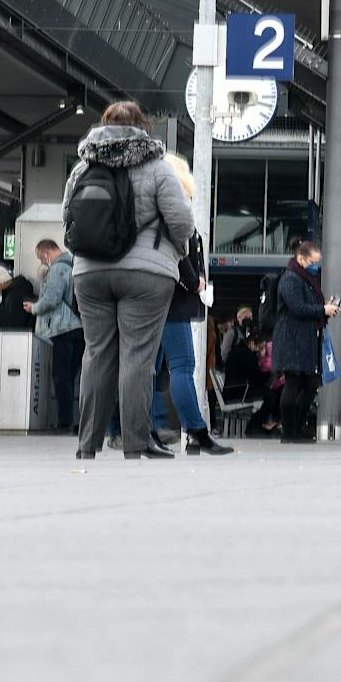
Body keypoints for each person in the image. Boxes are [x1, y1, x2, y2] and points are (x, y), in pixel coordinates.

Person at [67, 100, 193, 461]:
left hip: (89, 272)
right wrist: (176, 253)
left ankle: (86, 444)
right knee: (137, 355)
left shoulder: (82, 167)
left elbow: (67, 216)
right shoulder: (157, 167)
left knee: (96, 354)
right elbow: (182, 223)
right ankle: (136, 442)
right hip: (146, 274)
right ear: (144, 127)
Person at [148, 153, 233, 457]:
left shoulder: (153, 208)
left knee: (149, 368)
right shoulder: (172, 209)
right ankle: (195, 432)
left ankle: (149, 429)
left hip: (157, 300)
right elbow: (179, 251)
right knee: (183, 367)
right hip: (174, 302)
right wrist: (194, 281)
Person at [273, 237, 341, 443]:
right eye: (313, 262)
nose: (316, 267)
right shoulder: (291, 279)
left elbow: (307, 308)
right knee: (293, 382)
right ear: (301, 259)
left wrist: (326, 310)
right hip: (291, 339)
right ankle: (289, 431)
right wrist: (322, 309)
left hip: (305, 339)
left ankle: (298, 427)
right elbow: (297, 308)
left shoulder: (305, 279)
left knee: (311, 383)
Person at [30, 240, 83, 432]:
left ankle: (65, 421)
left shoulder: (58, 269)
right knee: (72, 376)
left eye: (40, 258)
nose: (42, 262)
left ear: (45, 253)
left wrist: (34, 308)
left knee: (62, 377)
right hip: (79, 327)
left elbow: (51, 299)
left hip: (62, 329)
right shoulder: (74, 265)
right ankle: (75, 420)